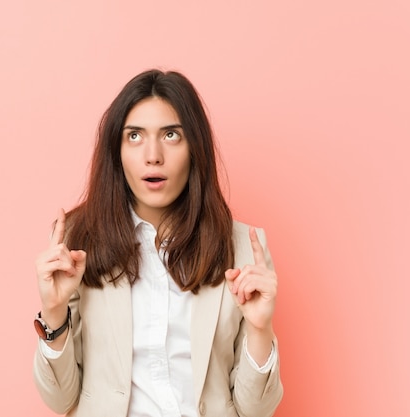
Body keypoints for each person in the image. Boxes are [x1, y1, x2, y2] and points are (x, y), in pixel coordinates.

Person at [33, 69, 283, 417]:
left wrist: (260, 329)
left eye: (170, 135)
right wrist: (54, 311)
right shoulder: (78, 241)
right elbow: (59, 400)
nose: (153, 155)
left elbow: (255, 410)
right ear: (116, 152)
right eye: (134, 136)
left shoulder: (243, 247)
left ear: (195, 148)